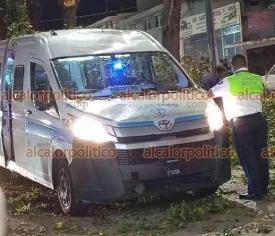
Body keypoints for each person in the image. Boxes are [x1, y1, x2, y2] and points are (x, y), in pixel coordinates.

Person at [209, 54, 269, 201]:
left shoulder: (229, 81)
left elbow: (210, 94)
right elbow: (264, 94)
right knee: (261, 154)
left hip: (241, 123)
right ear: (245, 64)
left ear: (232, 66)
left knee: (248, 158)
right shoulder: (257, 79)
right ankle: (264, 187)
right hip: (259, 120)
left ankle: (255, 191)